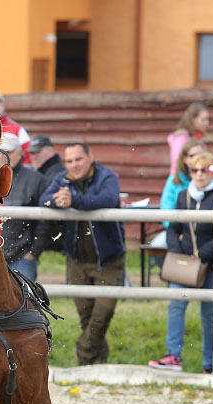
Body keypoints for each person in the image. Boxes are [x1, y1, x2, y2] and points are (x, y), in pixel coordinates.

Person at [148, 152, 213, 374]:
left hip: (211, 263)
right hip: (184, 263)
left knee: (210, 314)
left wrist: (202, 254)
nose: (198, 174)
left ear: (212, 172)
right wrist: (176, 252)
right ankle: (173, 356)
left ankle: (210, 364)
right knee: (176, 304)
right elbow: (173, 226)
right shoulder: (184, 195)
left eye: (203, 170)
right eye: (194, 170)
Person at [39, 142, 123, 365]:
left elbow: (108, 200)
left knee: (101, 316)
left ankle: (83, 358)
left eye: (78, 159)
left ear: (90, 157)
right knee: (87, 318)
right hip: (77, 259)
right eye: (69, 161)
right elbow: (43, 200)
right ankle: (98, 365)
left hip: (109, 260)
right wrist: (57, 201)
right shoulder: (62, 180)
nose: (74, 165)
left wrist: (73, 201)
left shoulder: (107, 177)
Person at [0, 133, 54, 281]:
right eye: (1, 152)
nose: (6, 156)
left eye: (9, 151)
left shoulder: (35, 180)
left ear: (19, 152)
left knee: (25, 300)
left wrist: (33, 253)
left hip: (21, 256)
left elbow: (46, 220)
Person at [167, 102, 212, 176]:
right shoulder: (181, 139)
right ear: (193, 119)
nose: (207, 123)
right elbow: (177, 162)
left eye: (207, 119)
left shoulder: (196, 137)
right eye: (203, 120)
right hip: (181, 180)